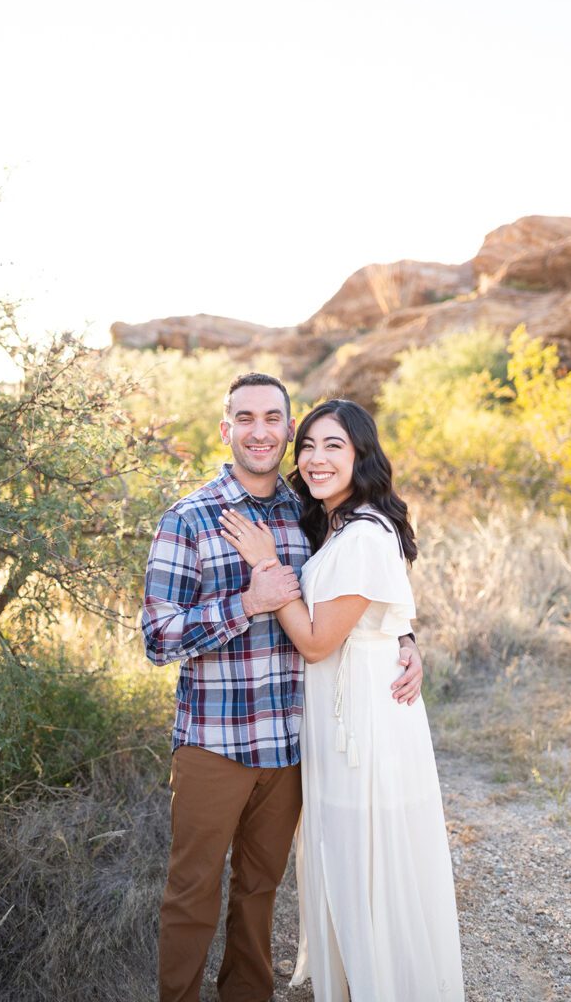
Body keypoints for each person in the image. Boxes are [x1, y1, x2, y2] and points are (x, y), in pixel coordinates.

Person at [142, 373, 424, 1002]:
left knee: (260, 891)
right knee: (192, 895)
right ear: (226, 430)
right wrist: (247, 602)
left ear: (288, 430)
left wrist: (404, 642)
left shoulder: (310, 518)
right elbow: (157, 638)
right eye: (246, 418)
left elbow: (358, 595)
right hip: (214, 741)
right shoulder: (189, 519)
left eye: (274, 418)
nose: (260, 430)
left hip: (294, 746)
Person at [219, 398, 465, 1002]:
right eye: (308, 445)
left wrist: (267, 568)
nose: (316, 458)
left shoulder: (361, 533)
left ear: (361, 455)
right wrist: (404, 638)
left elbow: (317, 642)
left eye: (335, 446)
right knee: (355, 860)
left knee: (367, 861)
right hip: (343, 718)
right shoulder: (335, 526)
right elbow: (384, 611)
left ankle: (383, 985)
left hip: (362, 726)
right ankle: (366, 979)